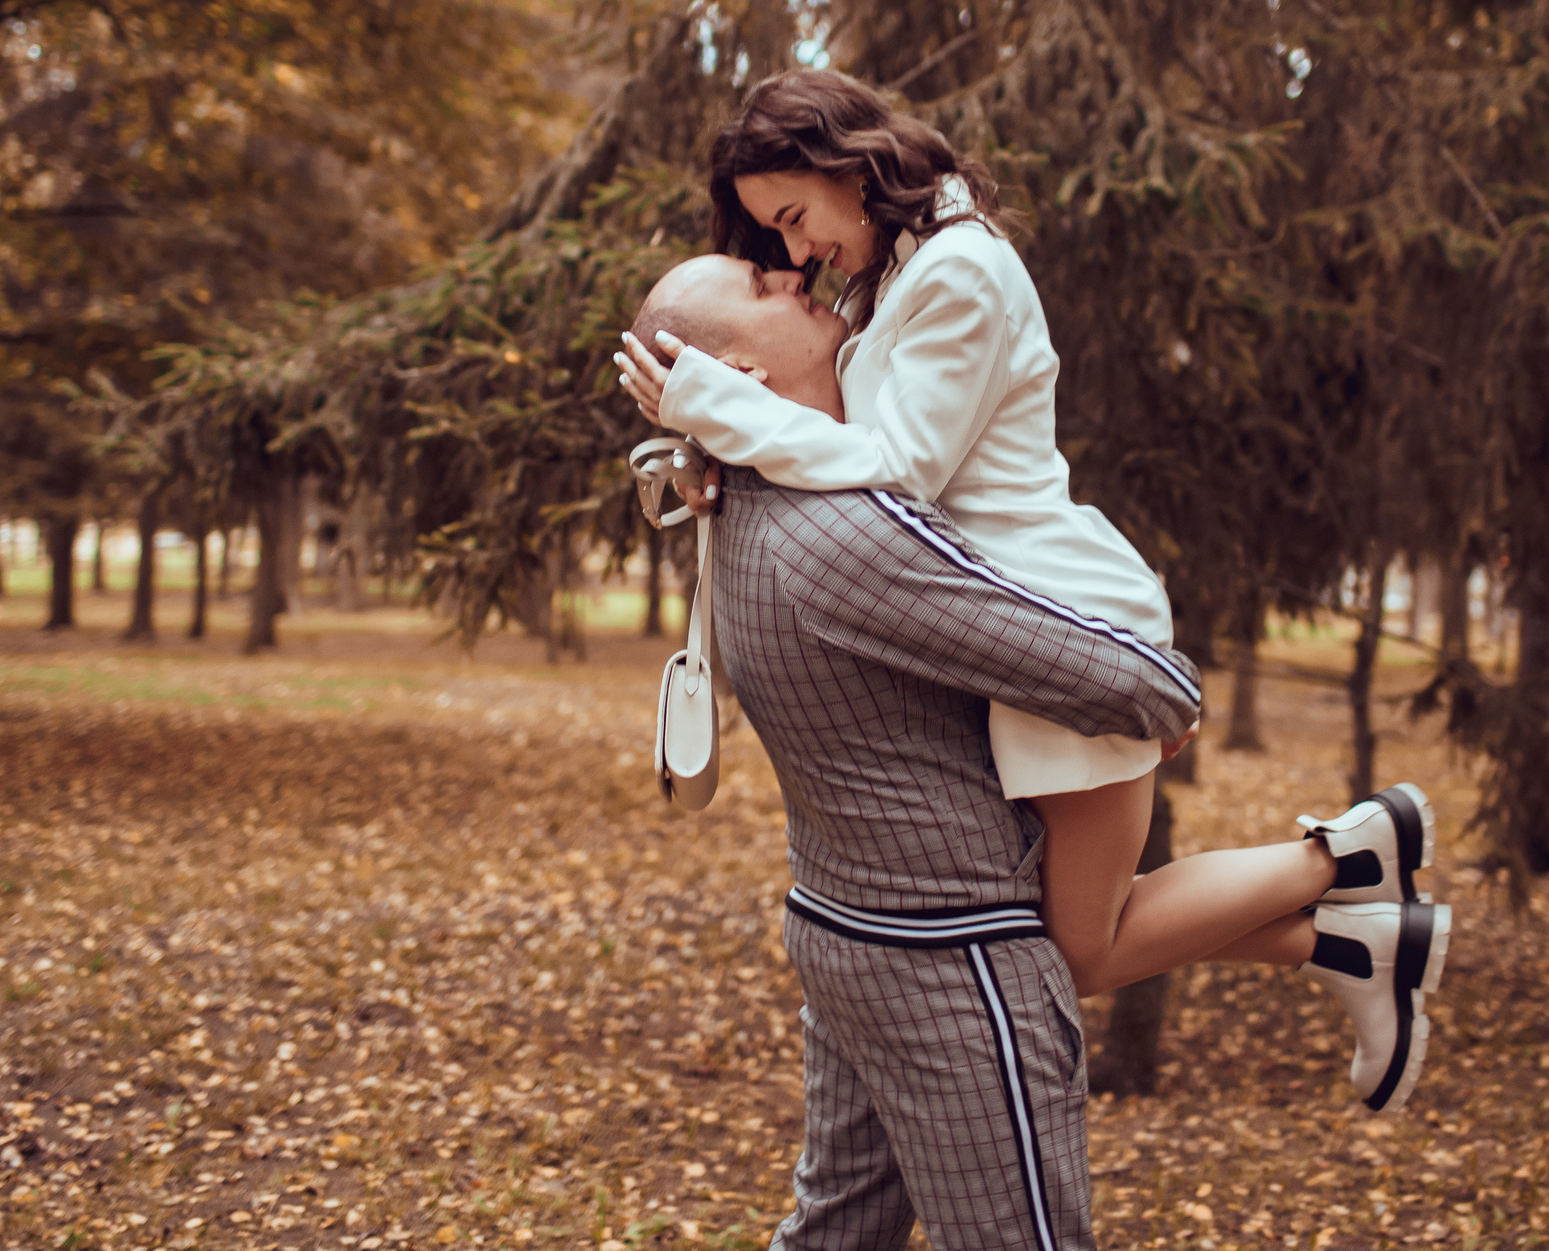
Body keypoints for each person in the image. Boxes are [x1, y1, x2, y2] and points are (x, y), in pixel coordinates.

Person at [614, 70, 1448, 1110]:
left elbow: (898, 463)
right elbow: (823, 425)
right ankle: (1362, 942)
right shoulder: (896, 271)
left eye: (792, 217)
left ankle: (1350, 854)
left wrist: (718, 404)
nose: (793, 255)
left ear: (843, 164)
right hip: (1003, 625)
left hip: (1062, 616)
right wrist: (708, 445)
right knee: (1083, 928)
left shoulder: (958, 270)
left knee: (1083, 951)